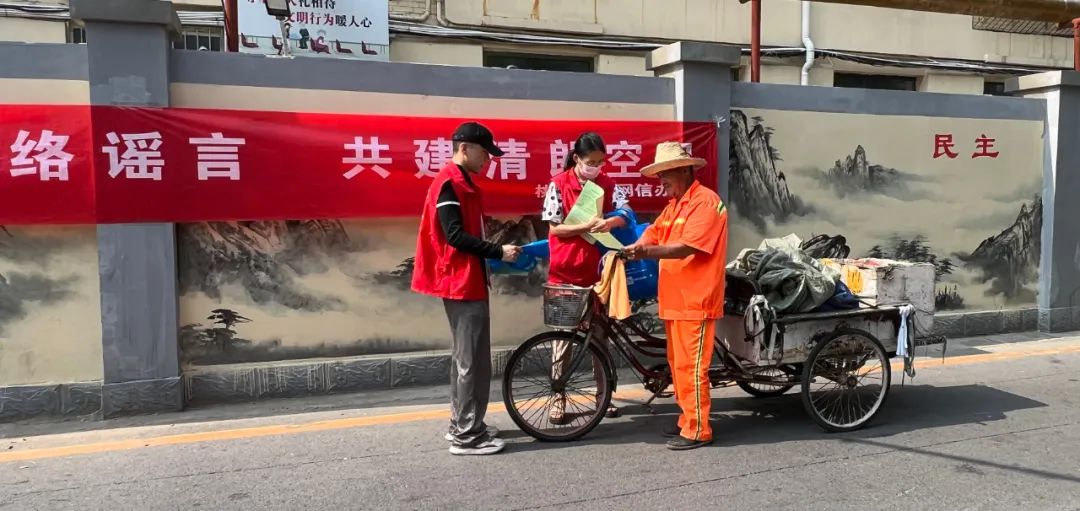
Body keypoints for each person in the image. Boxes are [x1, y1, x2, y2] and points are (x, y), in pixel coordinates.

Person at [411, 121, 522, 456]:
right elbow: (455, 236)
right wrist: (499, 251)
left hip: (466, 279)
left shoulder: (460, 182)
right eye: (485, 153)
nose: (488, 160)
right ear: (465, 149)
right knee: (471, 361)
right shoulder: (450, 183)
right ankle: (467, 435)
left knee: (466, 358)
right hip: (460, 281)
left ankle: (462, 423)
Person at [624, 141, 728, 451]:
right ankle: (687, 420)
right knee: (678, 366)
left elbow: (687, 247)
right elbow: (654, 232)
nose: (661, 181)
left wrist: (645, 252)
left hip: (696, 301)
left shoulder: (705, 202)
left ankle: (698, 430)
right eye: (659, 175)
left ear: (684, 170)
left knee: (692, 368)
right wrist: (637, 245)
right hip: (675, 301)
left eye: (665, 173)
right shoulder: (674, 206)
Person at [541, 132, 632, 423]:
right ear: (576, 159)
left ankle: (603, 397)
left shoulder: (607, 183)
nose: (596, 167)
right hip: (565, 272)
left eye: (600, 162)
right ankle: (558, 398)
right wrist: (585, 226)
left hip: (598, 274)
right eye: (591, 162)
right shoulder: (558, 184)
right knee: (563, 341)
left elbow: (627, 211)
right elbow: (554, 228)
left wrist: (611, 221)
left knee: (600, 338)